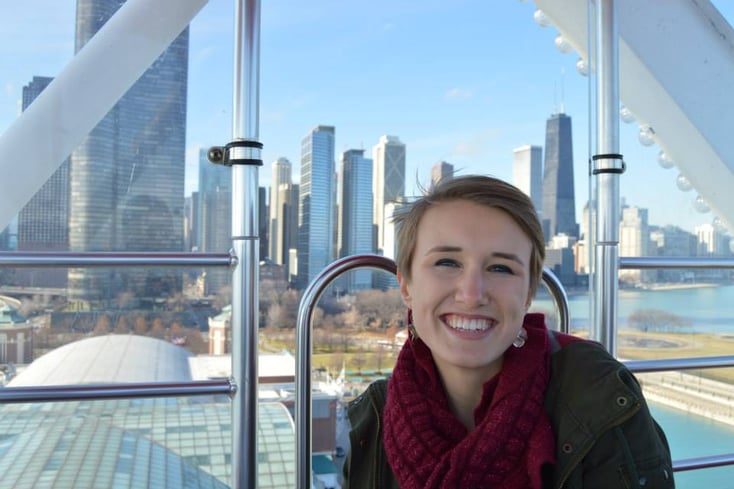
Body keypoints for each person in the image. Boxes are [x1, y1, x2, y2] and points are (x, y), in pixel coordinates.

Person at [342, 175, 674, 488]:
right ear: (406, 285)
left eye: (501, 268)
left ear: (528, 293)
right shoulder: (372, 420)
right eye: (447, 262)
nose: (472, 294)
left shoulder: (598, 396)